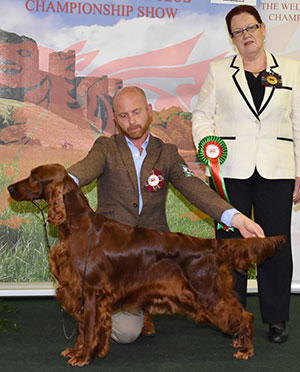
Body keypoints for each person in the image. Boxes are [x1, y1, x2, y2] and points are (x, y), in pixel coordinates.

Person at [68, 85, 264, 345]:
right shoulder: (105, 147)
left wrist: (236, 218)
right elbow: (85, 168)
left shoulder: (167, 153)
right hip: (116, 259)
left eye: (136, 112)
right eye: (123, 115)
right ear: (115, 118)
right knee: (127, 334)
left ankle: (142, 304)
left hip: (155, 257)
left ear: (149, 112)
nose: (131, 121)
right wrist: (63, 180)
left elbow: (194, 187)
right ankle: (127, 308)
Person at [192, 5, 300, 344]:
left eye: (251, 27)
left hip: (278, 169)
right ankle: (232, 316)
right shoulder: (219, 70)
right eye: (238, 31)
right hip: (229, 172)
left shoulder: (293, 71)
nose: (246, 35)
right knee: (229, 247)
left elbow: (298, 124)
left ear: (263, 29)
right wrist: (208, 149)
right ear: (232, 38)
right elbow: (201, 116)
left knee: (275, 245)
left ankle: (277, 319)